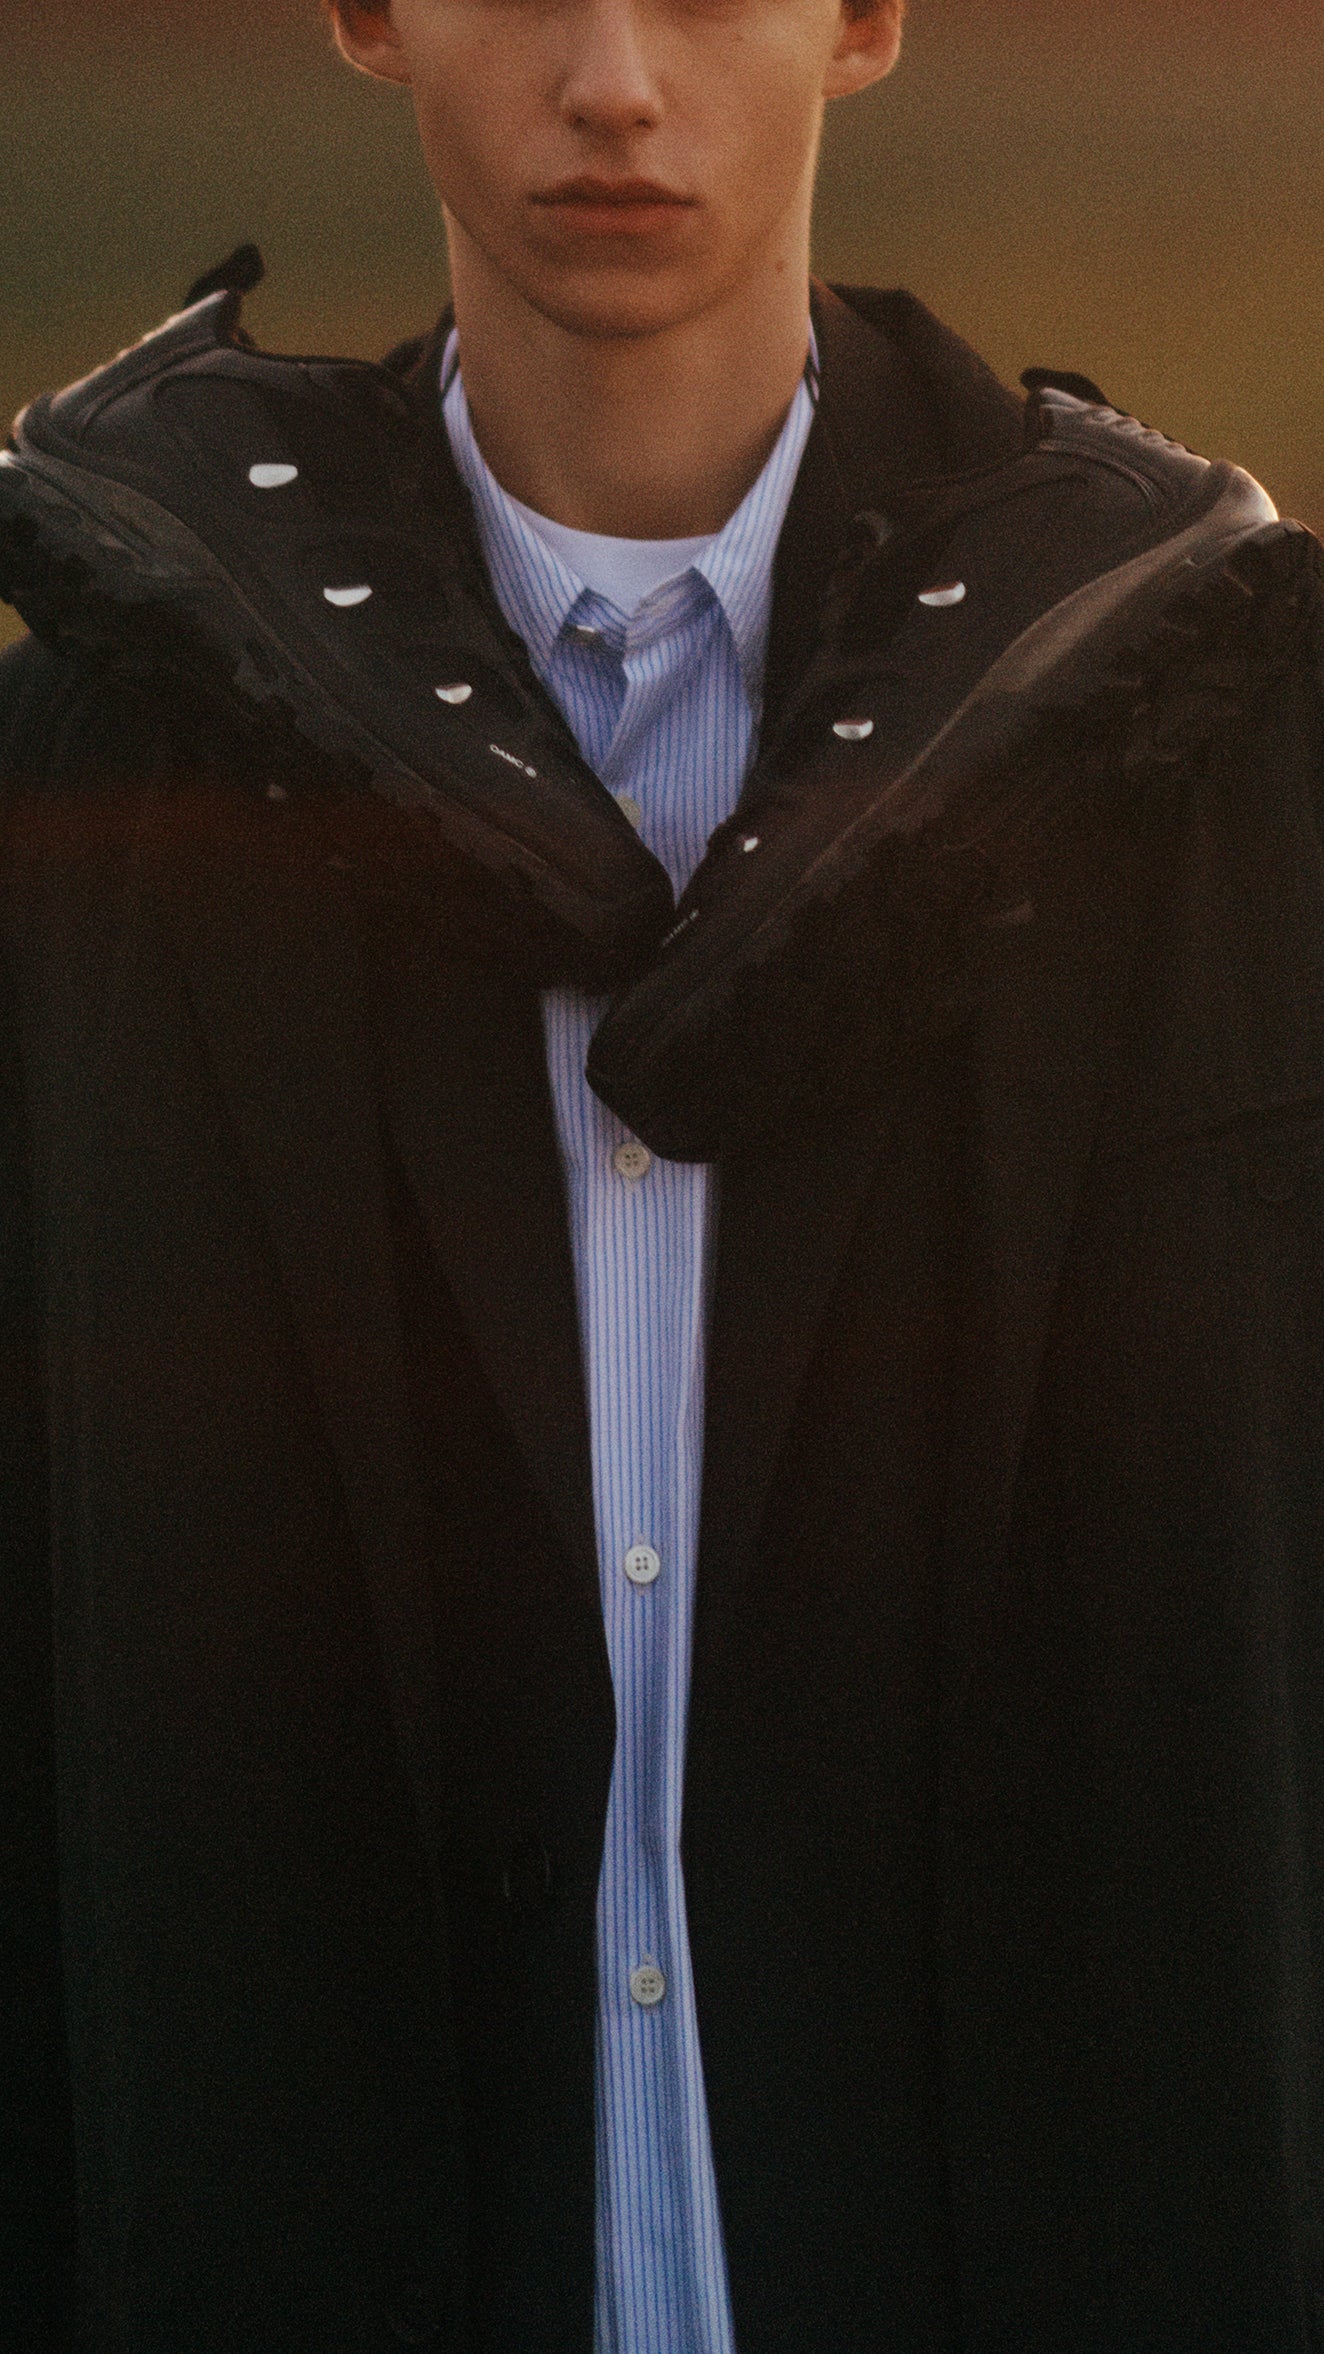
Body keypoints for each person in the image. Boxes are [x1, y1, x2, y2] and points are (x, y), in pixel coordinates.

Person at [1, 0, 1323, 2346]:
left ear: (863, 16)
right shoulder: (96, 778)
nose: (612, 78)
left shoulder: (1213, 766)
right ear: (369, 13)